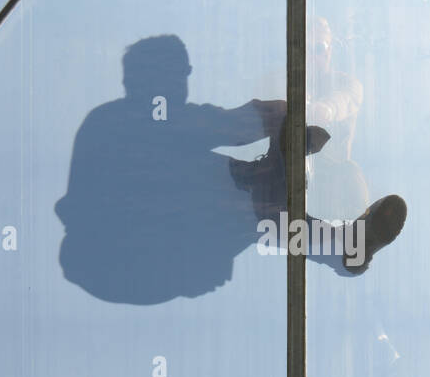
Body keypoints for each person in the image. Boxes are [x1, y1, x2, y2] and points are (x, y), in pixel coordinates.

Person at [55, 35, 406, 305]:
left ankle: (338, 237)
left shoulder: (120, 121)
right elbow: (229, 126)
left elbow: (224, 126)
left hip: (155, 247)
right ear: (140, 79)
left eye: (182, 74)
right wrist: (284, 119)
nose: (182, 83)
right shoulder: (133, 121)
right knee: (255, 211)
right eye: (177, 73)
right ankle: (336, 236)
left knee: (260, 215)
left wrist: (285, 128)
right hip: (140, 246)